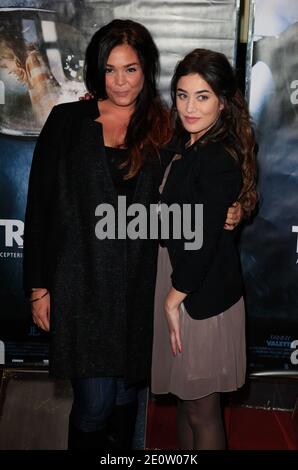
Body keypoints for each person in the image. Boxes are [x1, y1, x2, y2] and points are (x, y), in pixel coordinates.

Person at [23, 20, 242, 451]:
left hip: (142, 288)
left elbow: (205, 184)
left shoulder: (168, 127)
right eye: (110, 69)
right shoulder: (67, 121)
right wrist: (38, 286)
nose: (120, 81)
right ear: (96, 72)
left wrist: (236, 208)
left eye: (131, 69)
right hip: (80, 285)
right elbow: (40, 208)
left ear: (147, 70)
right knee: (94, 406)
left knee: (125, 402)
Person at [151, 48, 257, 450]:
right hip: (178, 281)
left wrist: (172, 299)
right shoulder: (182, 142)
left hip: (198, 293)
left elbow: (205, 239)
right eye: (182, 95)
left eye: (202, 96)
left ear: (222, 101)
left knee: (202, 410)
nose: (189, 107)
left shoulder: (217, 154)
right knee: (185, 401)